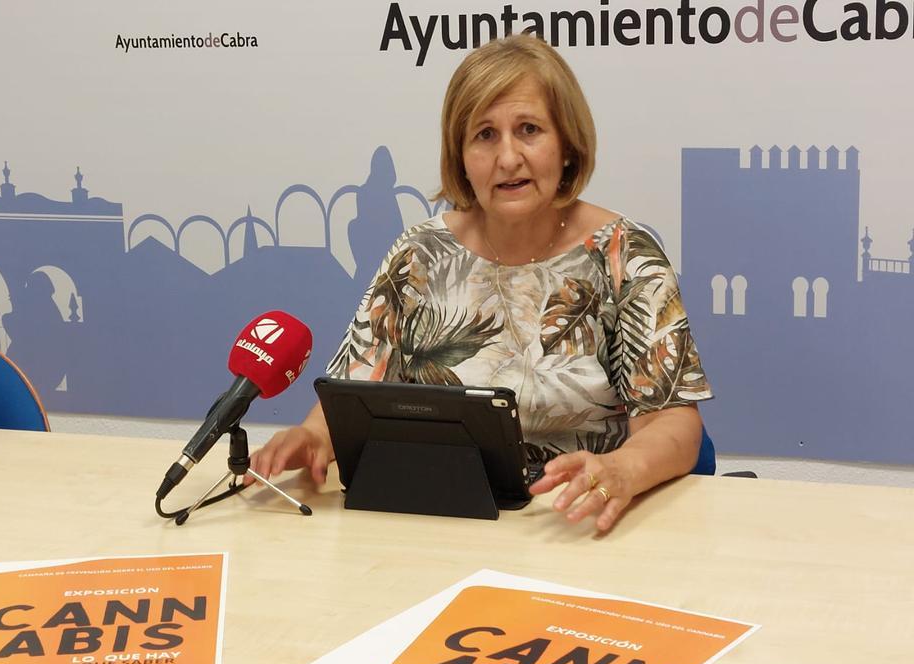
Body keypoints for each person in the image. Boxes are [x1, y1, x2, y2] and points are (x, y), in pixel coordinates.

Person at [248, 34, 712, 532]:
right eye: (485, 135)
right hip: (441, 519)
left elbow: (675, 424)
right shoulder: (419, 254)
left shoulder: (624, 254)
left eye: (529, 129)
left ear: (568, 146)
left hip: (575, 520)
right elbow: (355, 390)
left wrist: (624, 468)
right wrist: (315, 435)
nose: (508, 157)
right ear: (461, 156)